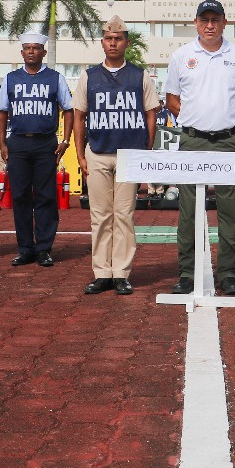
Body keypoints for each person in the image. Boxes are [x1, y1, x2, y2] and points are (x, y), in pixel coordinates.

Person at [164, 0, 235, 296]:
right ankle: (187, 274)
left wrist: (225, 120)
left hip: (229, 141)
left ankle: (229, 273)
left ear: (224, 23)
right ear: (195, 23)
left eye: (215, 19)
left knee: (231, 210)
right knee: (189, 210)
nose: (209, 25)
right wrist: (196, 120)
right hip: (192, 140)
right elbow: (172, 100)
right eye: (204, 19)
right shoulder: (181, 56)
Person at [72, 16, 158, 295]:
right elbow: (79, 116)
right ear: (102, 42)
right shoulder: (89, 76)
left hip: (130, 154)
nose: (113, 43)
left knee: (124, 215)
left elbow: (150, 115)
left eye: (118, 38)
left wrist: (146, 151)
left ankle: (121, 272)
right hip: (97, 152)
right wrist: (79, 155)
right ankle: (101, 273)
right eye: (108, 38)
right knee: (99, 216)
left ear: (126, 42)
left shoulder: (139, 75)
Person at [0, 32, 75, 268]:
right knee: (19, 196)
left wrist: (65, 140)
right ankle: (25, 248)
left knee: (46, 196)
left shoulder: (55, 78)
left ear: (44, 52)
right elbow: (2, 112)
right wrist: (2, 143)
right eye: (27, 48)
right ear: (22, 52)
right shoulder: (10, 78)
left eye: (36, 48)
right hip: (18, 142)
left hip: (45, 144)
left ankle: (43, 248)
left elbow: (68, 110)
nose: (31, 51)